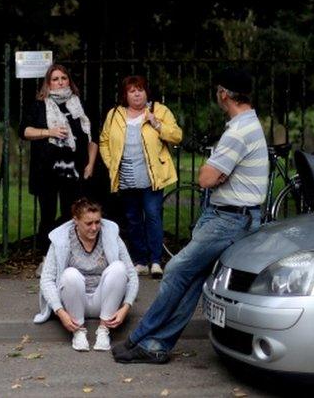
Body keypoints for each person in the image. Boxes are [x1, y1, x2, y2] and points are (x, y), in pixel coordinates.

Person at [112, 68, 267, 364]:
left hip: (230, 219)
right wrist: (216, 172)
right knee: (192, 278)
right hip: (230, 215)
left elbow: (206, 178)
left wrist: (213, 170)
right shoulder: (246, 124)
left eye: (217, 91)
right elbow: (214, 175)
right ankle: (156, 346)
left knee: (176, 270)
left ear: (224, 94)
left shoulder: (238, 132)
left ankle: (139, 337)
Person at [99, 75, 182, 278]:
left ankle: (155, 261)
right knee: (133, 219)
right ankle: (140, 261)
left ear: (147, 92)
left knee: (153, 216)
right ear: (125, 95)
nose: (137, 94)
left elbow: (177, 135)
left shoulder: (159, 110)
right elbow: (104, 141)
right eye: (131, 91)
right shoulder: (115, 114)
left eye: (140, 90)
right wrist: (112, 164)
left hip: (152, 176)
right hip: (126, 176)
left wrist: (157, 125)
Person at [33, 198, 138, 352]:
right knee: (70, 274)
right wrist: (60, 312)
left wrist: (126, 307)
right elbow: (47, 279)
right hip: (73, 302)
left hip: (103, 300)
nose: (94, 228)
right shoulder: (61, 240)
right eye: (88, 223)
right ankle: (78, 331)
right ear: (76, 220)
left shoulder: (110, 235)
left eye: (97, 222)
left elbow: (132, 275)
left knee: (119, 268)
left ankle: (104, 330)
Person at [20, 64, 99, 251]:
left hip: (74, 168)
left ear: (69, 81)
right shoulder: (39, 105)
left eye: (63, 78)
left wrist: (90, 164)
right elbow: (25, 131)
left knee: (71, 213)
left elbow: (92, 137)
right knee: (47, 214)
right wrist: (50, 131)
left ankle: (69, 253)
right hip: (46, 168)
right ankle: (47, 256)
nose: (60, 82)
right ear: (48, 84)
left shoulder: (79, 104)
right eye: (55, 79)